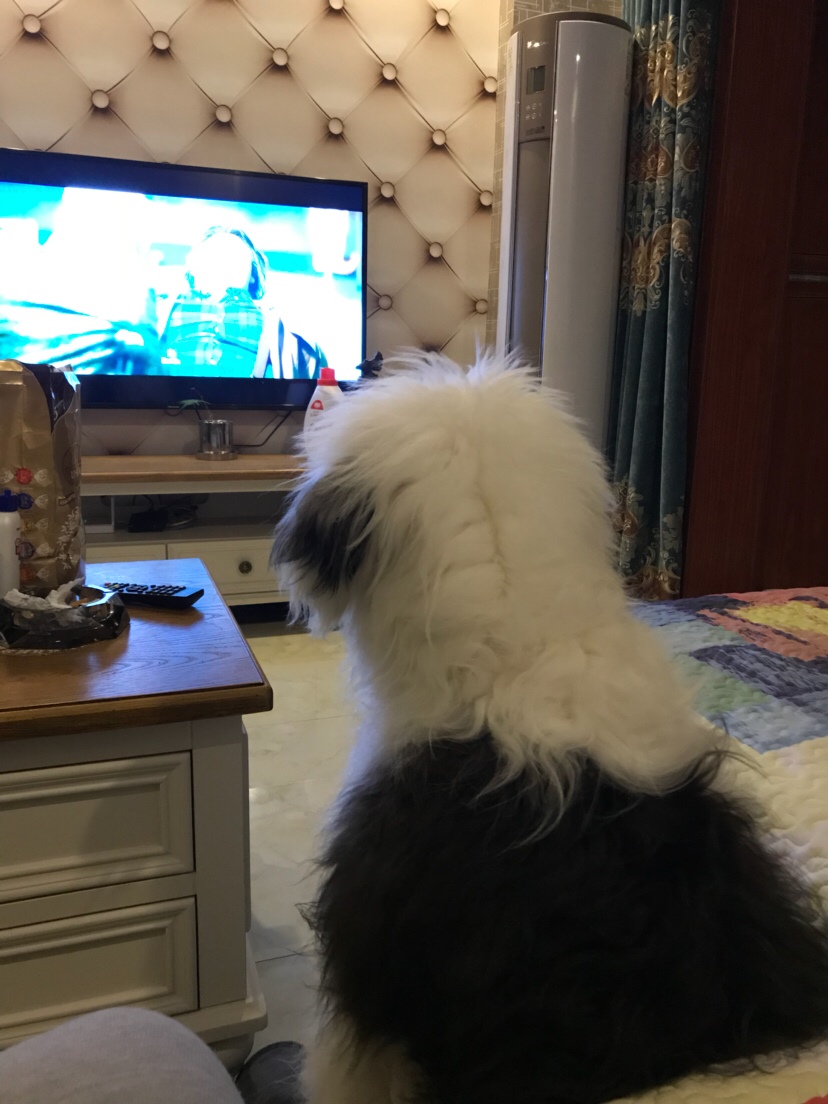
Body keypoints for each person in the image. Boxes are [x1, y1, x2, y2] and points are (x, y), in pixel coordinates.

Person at [161, 227, 274, 379]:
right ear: (194, 269)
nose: (222, 263)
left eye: (234, 256)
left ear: (254, 274)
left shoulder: (271, 321)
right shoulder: (166, 307)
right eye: (212, 256)